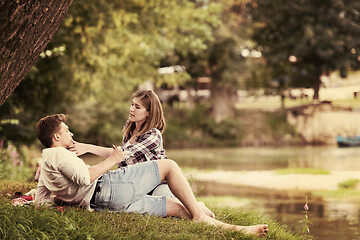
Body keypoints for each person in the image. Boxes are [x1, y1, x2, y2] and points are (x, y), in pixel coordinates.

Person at [35, 114, 269, 237]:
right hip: (107, 189)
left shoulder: (47, 159)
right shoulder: (59, 155)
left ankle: (238, 230)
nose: (71, 133)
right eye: (66, 130)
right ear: (56, 137)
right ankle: (199, 214)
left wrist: (55, 199)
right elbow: (85, 177)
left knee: (177, 208)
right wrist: (112, 160)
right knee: (169, 165)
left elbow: (42, 198)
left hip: (104, 202)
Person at [72, 90, 172, 197]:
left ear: (149, 113)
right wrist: (87, 148)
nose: (131, 109)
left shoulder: (153, 135)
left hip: (157, 184)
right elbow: (118, 155)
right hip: (137, 183)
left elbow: (122, 155)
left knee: (164, 200)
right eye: (132, 104)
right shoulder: (129, 126)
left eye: (137, 107)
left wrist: (88, 148)